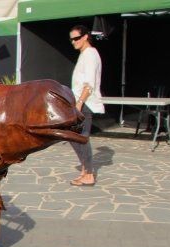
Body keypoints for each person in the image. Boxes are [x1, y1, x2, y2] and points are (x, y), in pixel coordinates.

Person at [68, 25, 103, 187]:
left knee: (81, 138)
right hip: (81, 101)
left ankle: (88, 174)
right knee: (75, 136)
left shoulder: (90, 54)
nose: (73, 42)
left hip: (85, 102)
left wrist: (80, 103)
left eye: (76, 38)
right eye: (71, 39)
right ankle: (85, 170)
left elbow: (89, 83)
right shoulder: (85, 54)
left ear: (85, 37)